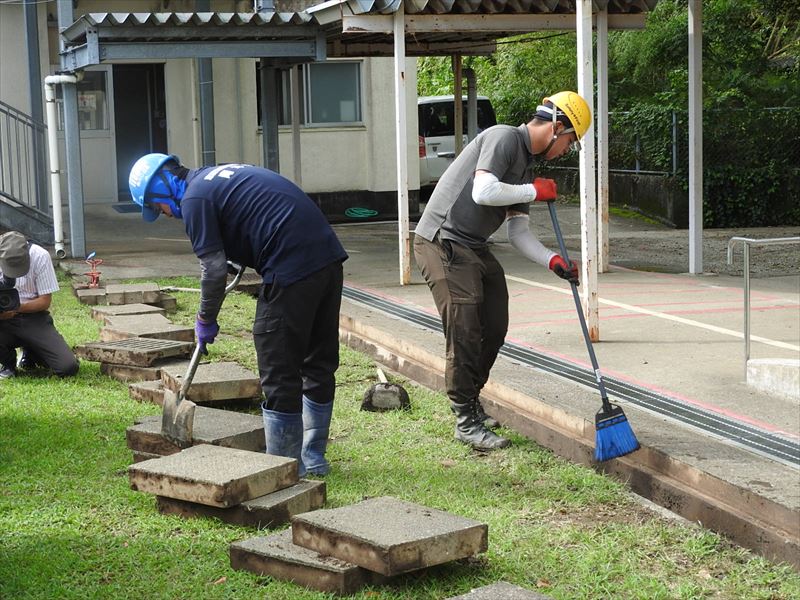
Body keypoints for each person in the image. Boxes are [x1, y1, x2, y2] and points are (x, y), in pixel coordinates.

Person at [128, 155, 348, 477]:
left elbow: (213, 269)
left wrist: (205, 318)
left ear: (162, 187)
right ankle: (313, 459)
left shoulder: (193, 200)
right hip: (327, 259)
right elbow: (250, 218)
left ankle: (284, 468)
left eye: (157, 207)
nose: (164, 213)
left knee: (277, 362)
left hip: (291, 265)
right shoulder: (214, 178)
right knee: (317, 359)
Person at [413, 91, 591, 450]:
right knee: (465, 329)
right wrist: (533, 190)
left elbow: (518, 233)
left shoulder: (526, 166)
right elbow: (483, 191)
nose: (565, 151)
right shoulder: (504, 137)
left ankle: (472, 400)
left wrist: (552, 260)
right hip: (441, 241)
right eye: (570, 143)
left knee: (494, 325)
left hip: (475, 245)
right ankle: (464, 418)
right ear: (557, 128)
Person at [0, 231, 79, 379]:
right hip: (2, 319)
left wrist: (16, 307)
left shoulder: (40, 255)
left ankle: (31, 350)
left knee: (67, 367)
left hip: (33, 318)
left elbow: (44, 302)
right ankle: (8, 363)